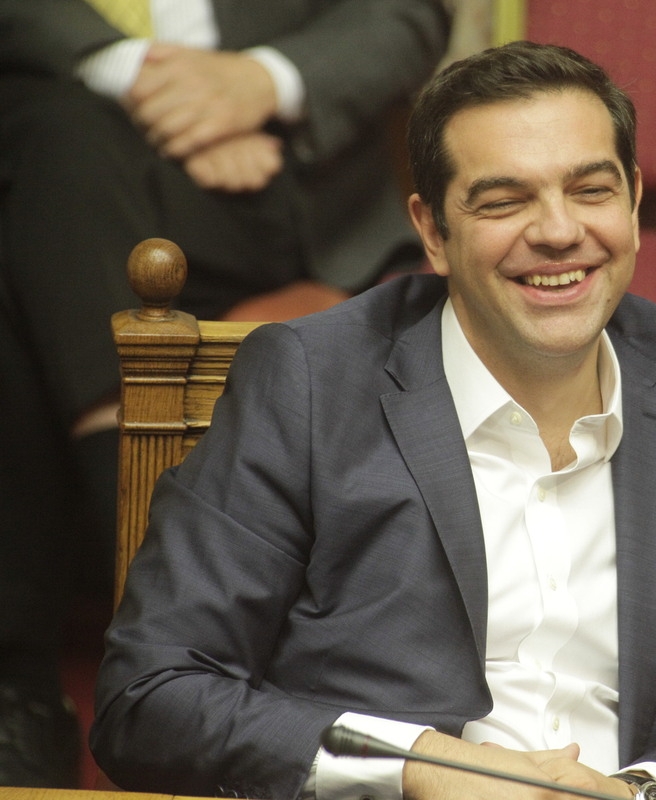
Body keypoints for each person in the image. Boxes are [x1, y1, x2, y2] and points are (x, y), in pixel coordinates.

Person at [90, 41, 656, 800]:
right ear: (433, 232)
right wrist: (425, 769)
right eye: (504, 201)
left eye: (591, 190)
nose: (558, 231)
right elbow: (150, 697)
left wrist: (643, 794)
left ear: (634, 203)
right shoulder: (310, 385)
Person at [0, 0, 450, 787]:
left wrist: (260, 84)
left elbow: (405, 12)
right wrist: (143, 80)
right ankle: (149, 593)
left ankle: (24, 687)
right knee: (58, 148)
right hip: (65, 145)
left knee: (39, 204)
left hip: (279, 178)